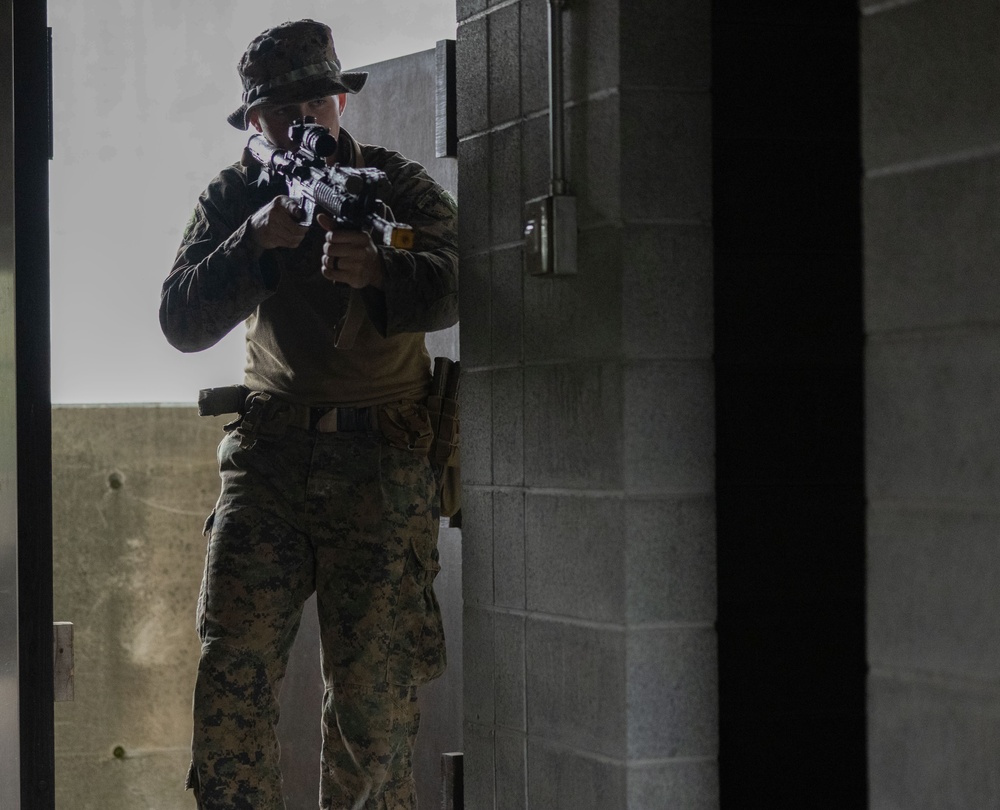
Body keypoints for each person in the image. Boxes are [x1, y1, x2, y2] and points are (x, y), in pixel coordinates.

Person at [159, 19, 458, 810]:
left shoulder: (394, 186)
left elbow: (461, 281)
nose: (302, 120)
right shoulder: (235, 197)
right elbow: (180, 320)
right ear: (255, 123)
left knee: (376, 703)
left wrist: (383, 270)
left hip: (382, 463)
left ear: (338, 101)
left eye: (314, 102)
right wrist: (255, 243)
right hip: (270, 460)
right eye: (281, 110)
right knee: (234, 678)